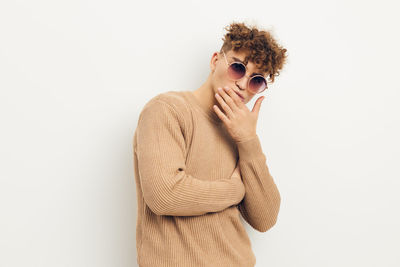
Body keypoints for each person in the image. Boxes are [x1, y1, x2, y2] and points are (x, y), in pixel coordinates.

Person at [132, 21, 288, 267]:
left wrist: (248, 141)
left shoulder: (240, 133)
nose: (242, 84)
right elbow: (165, 196)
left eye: (256, 81)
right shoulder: (167, 110)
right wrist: (235, 191)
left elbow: (266, 218)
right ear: (216, 60)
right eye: (238, 68)